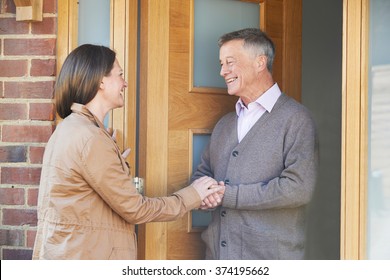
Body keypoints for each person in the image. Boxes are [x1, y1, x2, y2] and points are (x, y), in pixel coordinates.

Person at [32, 44, 222, 260]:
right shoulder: (90, 138)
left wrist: (114, 163)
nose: (125, 83)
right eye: (120, 75)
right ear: (100, 81)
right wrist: (192, 196)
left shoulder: (72, 129)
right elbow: (135, 209)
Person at [192, 28, 319, 260]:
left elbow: (298, 188)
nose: (222, 71)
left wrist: (228, 195)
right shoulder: (224, 124)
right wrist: (203, 193)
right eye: (221, 63)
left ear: (260, 62)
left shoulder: (296, 119)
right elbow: (203, 173)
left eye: (230, 62)